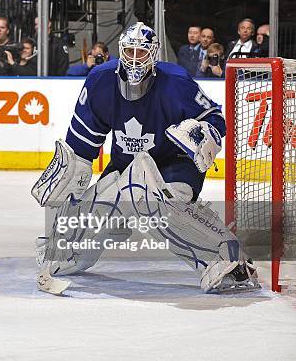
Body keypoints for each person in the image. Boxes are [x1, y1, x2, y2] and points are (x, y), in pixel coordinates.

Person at [31, 22, 259, 294]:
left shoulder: (175, 82)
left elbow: (213, 117)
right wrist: (66, 189)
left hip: (173, 166)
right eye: (130, 52)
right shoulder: (100, 81)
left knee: (147, 196)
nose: (135, 59)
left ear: (155, 54)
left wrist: (205, 133)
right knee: (74, 243)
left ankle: (228, 260)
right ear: (120, 52)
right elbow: (80, 147)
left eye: (142, 53)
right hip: (123, 166)